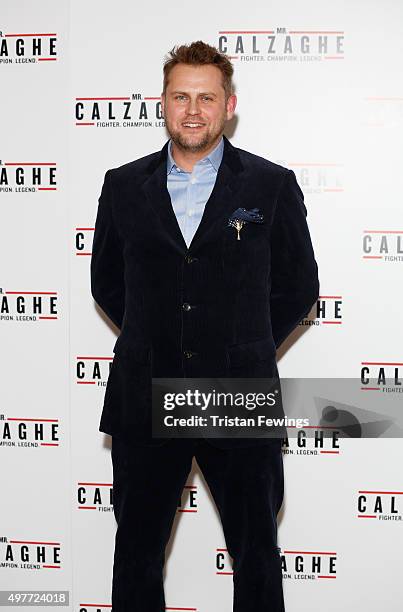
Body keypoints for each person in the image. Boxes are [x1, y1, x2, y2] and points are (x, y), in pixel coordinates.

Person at [91, 40, 319, 612]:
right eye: (181, 96)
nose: (194, 110)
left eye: (207, 98)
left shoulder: (271, 185)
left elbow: (298, 287)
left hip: (237, 393)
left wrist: (237, 341)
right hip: (146, 393)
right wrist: (161, 336)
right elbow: (107, 284)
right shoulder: (121, 186)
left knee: (256, 552)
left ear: (229, 105)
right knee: (137, 552)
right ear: (162, 103)